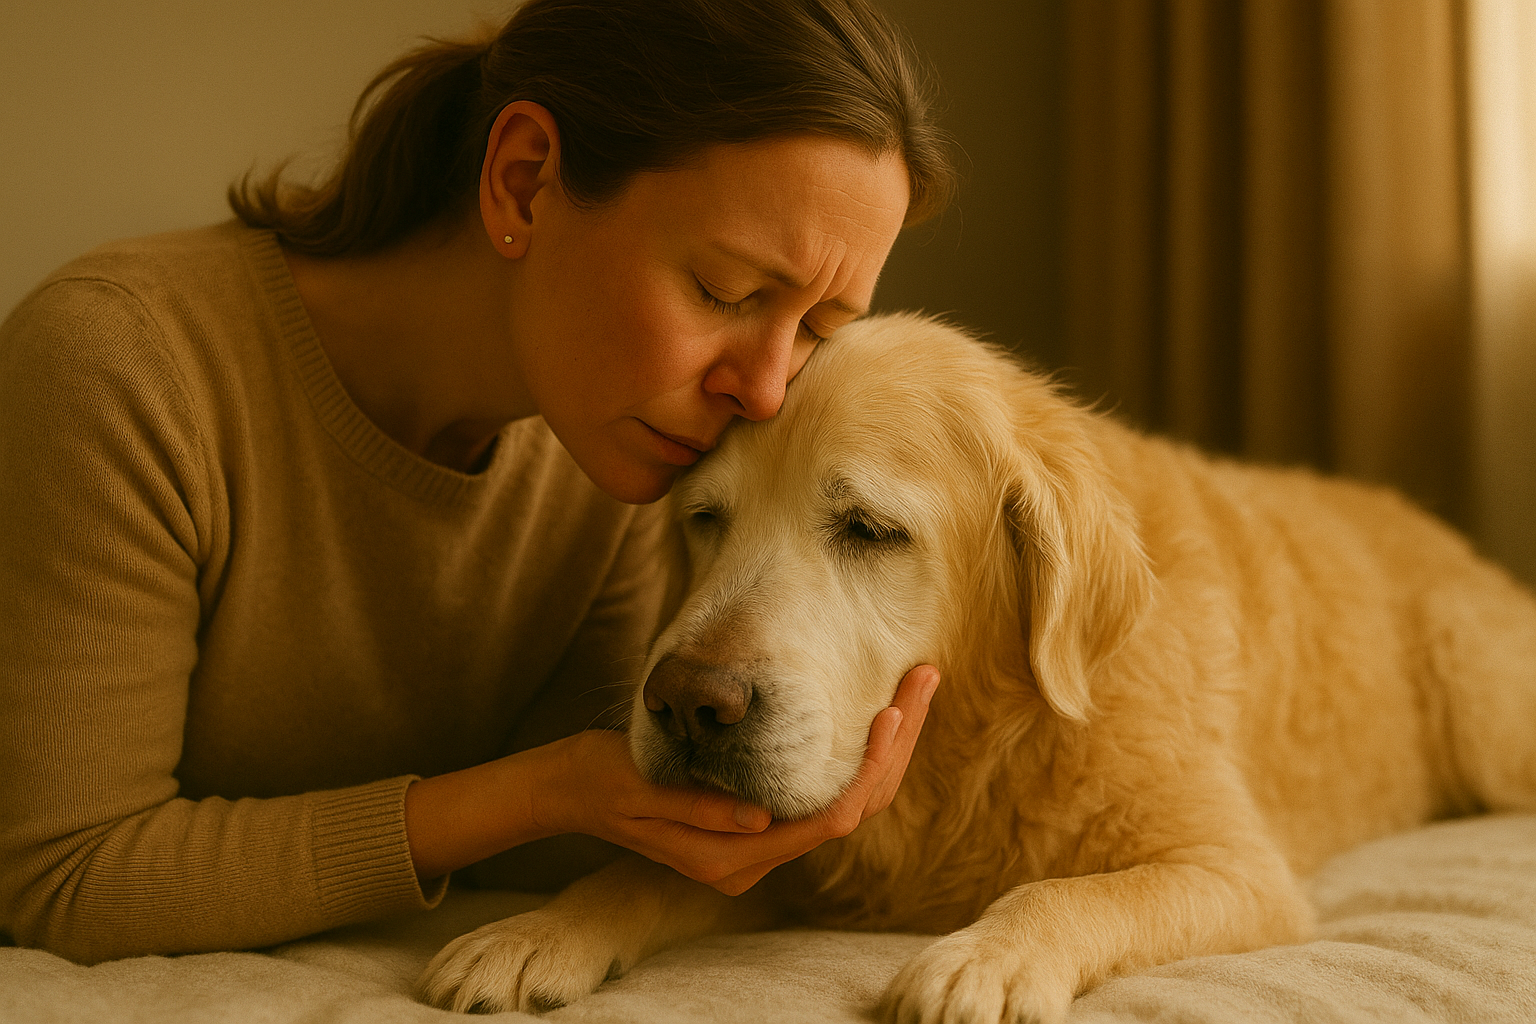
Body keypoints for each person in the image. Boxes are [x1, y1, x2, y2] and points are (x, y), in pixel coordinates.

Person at [0, 0, 954, 964]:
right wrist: (535, 792)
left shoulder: (629, 456)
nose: (761, 391)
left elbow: (568, 848)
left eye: (816, 330)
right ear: (524, 180)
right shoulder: (123, 367)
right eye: (728, 293)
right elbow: (63, 874)